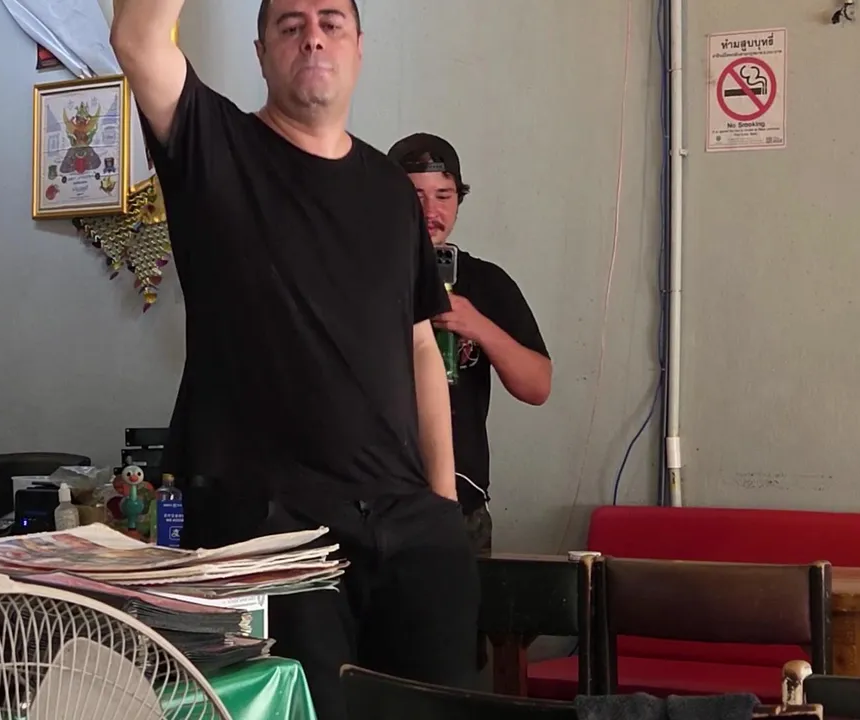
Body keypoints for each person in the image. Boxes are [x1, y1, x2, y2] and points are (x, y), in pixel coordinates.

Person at [111, 1, 480, 718]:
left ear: (359, 48)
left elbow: (418, 344)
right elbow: (137, 36)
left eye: (330, 22)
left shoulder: (390, 190)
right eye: (289, 24)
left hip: (410, 525)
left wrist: (441, 509)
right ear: (260, 52)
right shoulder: (215, 147)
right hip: (270, 535)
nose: (312, 35)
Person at [387, 133, 553, 553]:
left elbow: (538, 386)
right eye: (415, 196)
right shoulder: (360, 278)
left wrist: (475, 324)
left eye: (443, 195)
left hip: (463, 507)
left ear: (459, 200)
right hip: (375, 505)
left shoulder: (487, 283)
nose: (431, 210)